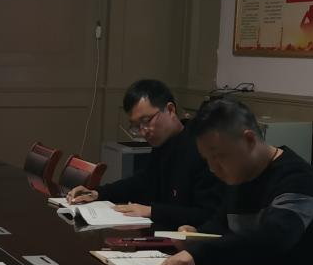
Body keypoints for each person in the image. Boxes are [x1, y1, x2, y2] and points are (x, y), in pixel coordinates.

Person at [154, 97, 313, 265]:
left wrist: (198, 253)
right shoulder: (241, 175)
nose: (213, 168)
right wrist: (196, 234)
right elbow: (221, 224)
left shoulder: (298, 179)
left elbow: (272, 239)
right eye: (207, 160)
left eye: (219, 156)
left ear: (249, 139)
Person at [65, 79, 222, 230]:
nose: (143, 131)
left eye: (146, 121)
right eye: (136, 126)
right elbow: (143, 181)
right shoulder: (164, 143)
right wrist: (97, 193)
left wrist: (152, 211)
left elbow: (208, 214)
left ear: (170, 110)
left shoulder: (202, 147)